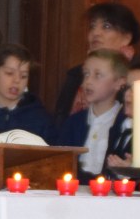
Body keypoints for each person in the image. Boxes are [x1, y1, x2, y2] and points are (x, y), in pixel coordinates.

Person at [53, 2, 140, 122]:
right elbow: (60, 120)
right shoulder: (75, 74)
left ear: (126, 38)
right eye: (92, 27)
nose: (96, 33)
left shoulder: (138, 75)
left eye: (106, 27)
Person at [53, 49, 130, 180]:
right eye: (86, 74)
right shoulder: (73, 123)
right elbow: (58, 163)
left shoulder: (126, 124)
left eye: (98, 75)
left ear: (119, 82)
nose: (88, 81)